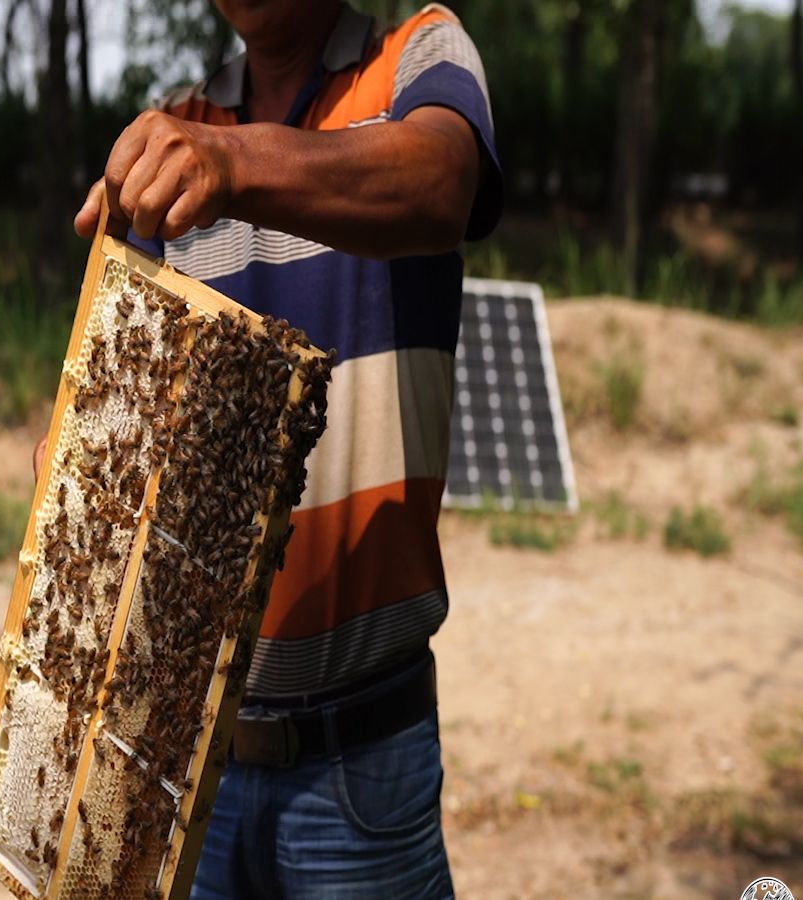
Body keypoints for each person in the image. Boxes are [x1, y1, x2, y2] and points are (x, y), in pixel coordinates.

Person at [39, 2, 500, 896]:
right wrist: (77, 464)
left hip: (358, 767)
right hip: (185, 759)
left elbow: (441, 185)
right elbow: (109, 411)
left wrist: (234, 163)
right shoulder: (173, 129)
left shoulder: (417, 58)